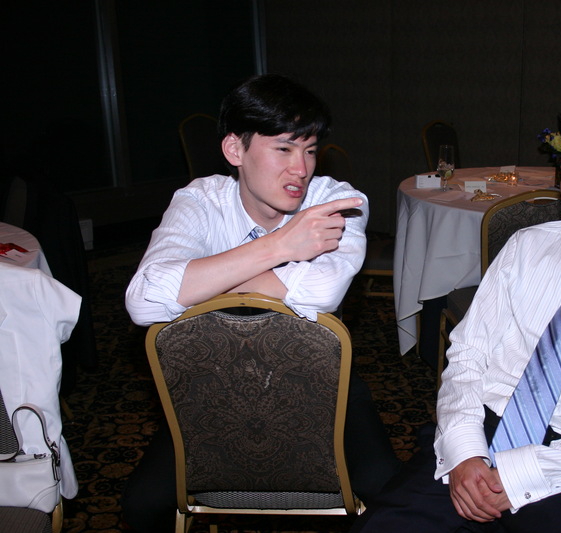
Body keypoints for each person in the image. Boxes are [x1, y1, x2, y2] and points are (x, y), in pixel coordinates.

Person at [351, 105, 561, 533]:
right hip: (481, 428)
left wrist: (517, 475)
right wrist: (465, 453)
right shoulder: (527, 247)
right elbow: (467, 354)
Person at [123, 74, 400, 532]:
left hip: (323, 384)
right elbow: (144, 299)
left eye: (309, 150)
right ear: (235, 150)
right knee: (142, 504)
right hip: (210, 389)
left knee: (389, 496)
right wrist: (280, 247)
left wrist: (203, 283)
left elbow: (322, 291)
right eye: (284, 149)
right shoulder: (200, 201)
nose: (301, 169)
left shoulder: (336, 201)